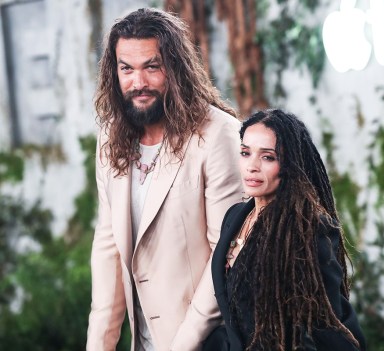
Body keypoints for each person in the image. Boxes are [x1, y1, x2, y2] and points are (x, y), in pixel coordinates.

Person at [86, 8, 243, 351]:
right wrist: (100, 344)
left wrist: (181, 344)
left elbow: (226, 254)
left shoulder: (219, 135)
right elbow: (108, 246)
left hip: (205, 342)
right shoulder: (112, 136)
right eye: (126, 69)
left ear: (175, 68)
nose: (137, 83)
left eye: (151, 67)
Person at [211, 109, 367, 350]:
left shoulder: (306, 228)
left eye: (268, 157)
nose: (251, 166)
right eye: (245, 152)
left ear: (290, 164)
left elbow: (322, 325)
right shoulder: (235, 217)